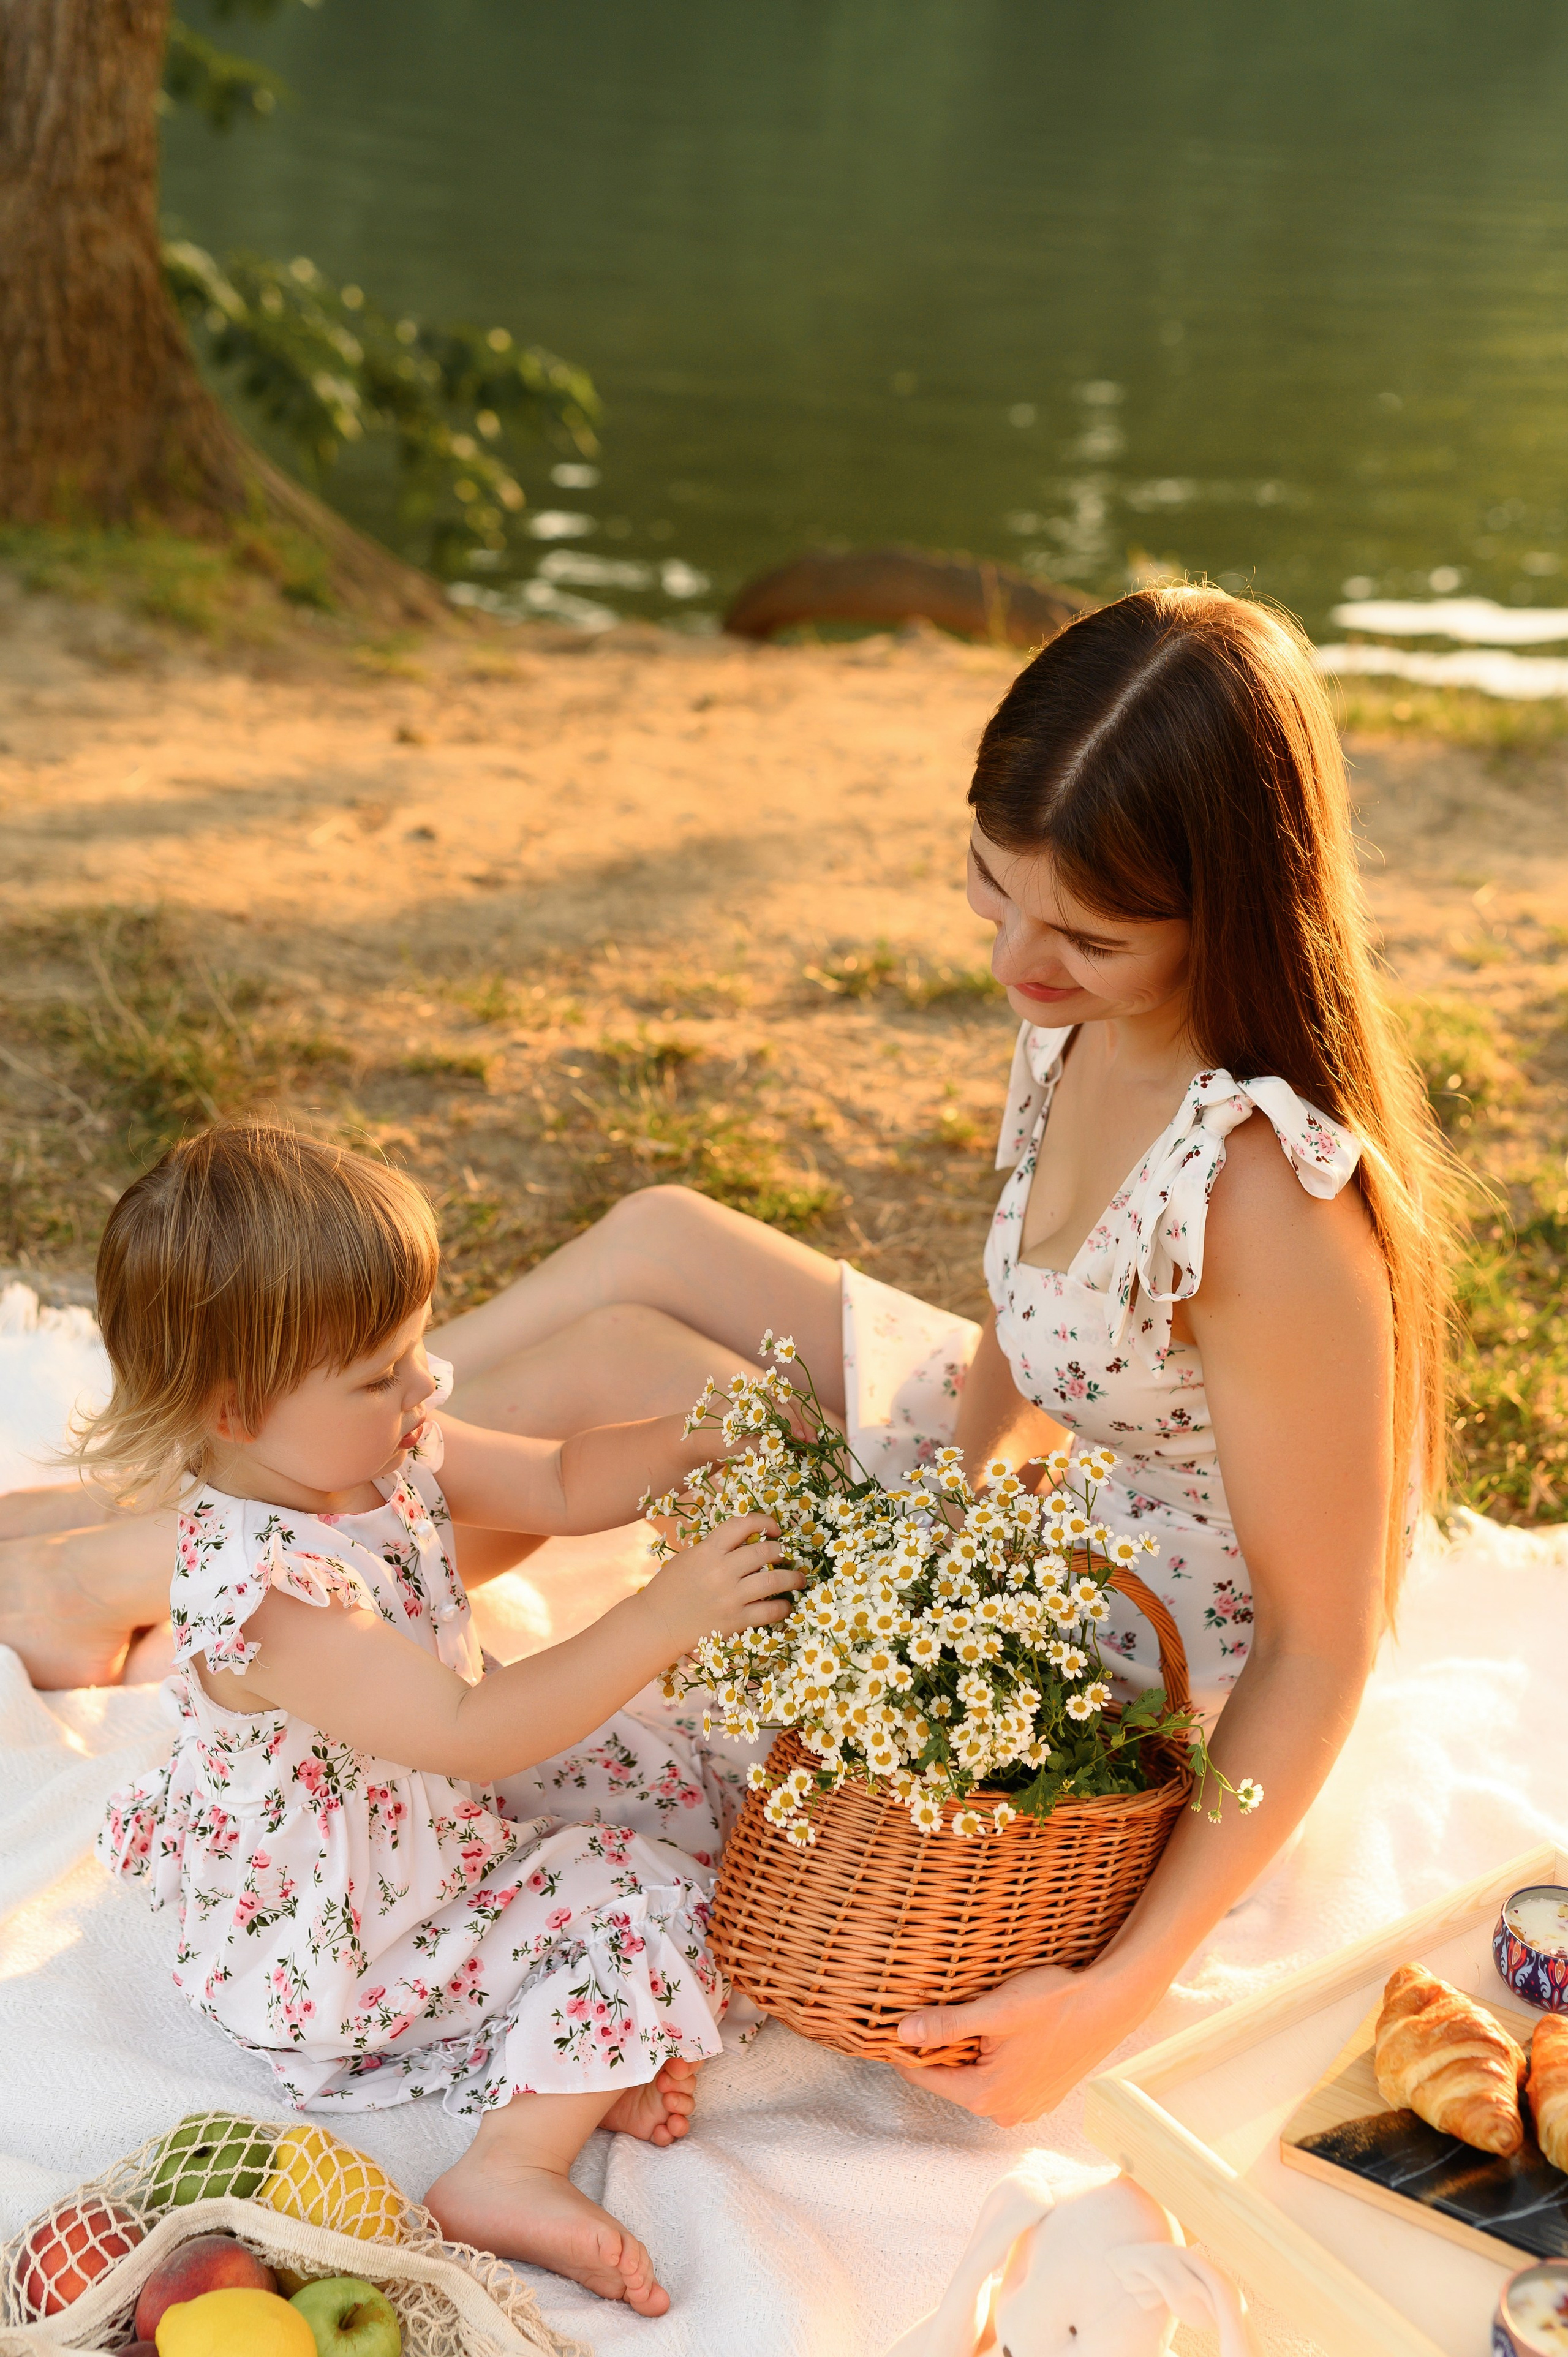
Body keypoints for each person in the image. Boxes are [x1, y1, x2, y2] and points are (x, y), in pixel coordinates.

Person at [6, 583, 1453, 2128]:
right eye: (989, 891)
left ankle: (201, 1541)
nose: (1015, 962)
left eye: (1083, 935)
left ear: (1218, 914)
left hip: (1131, 1607)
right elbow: (1027, 1347)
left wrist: (1115, 1992)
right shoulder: (1082, 1013)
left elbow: (1325, 1638)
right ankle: (237, 1496)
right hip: (1038, 1482)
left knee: (612, 1387)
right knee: (649, 1262)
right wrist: (939, 1512)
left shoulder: (1265, 1200)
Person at [83, 1122, 805, 2315]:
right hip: (355, 1930)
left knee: (676, 1776)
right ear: (235, 1412)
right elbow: (474, 1727)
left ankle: (576, 2055)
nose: (423, 1385)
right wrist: (663, 1611)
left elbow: (562, 1480)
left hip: (424, 1799)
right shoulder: (269, 1594)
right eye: (380, 1373)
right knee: (648, 1893)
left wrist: (690, 1441)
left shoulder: (381, 1445)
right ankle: (510, 2164)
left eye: (415, 1350)